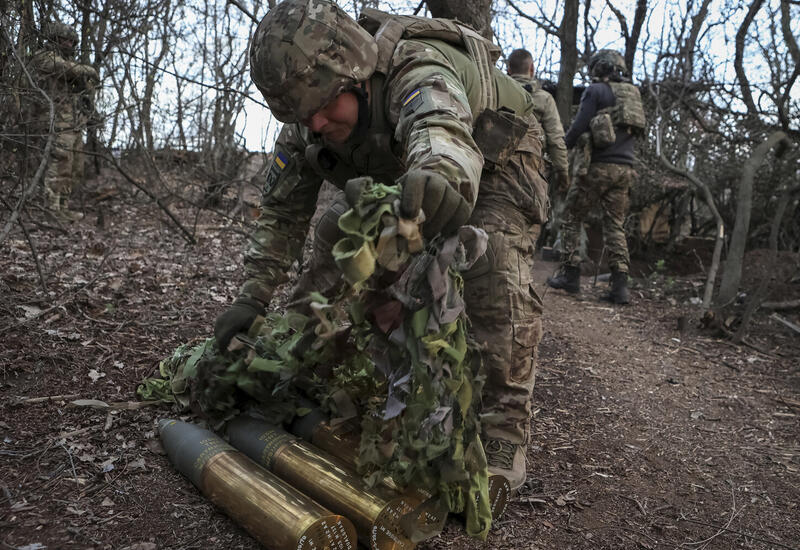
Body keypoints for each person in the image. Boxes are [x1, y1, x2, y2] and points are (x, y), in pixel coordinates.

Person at [213, 0, 549, 490]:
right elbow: (284, 214)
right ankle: (313, 366)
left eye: (326, 106)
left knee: (490, 255)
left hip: (501, 158)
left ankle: (503, 424)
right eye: (303, 115)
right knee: (338, 238)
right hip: (414, 170)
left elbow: (441, 131)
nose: (317, 125)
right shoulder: (308, 122)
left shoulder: (416, 69)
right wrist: (252, 296)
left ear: (355, 75)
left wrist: (437, 177)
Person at [546, 49, 645, 304]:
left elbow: (579, 126)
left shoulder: (596, 91)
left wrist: (560, 146)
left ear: (599, 68)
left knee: (571, 217)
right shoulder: (632, 94)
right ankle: (620, 286)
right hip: (625, 170)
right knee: (615, 225)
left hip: (597, 167)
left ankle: (570, 275)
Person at [29, 22, 98, 219]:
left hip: (74, 124)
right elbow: (62, 68)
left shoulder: (71, 66)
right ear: (54, 39)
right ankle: (51, 210)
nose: (69, 44)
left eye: (71, 41)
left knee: (74, 168)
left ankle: (63, 207)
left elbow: (86, 88)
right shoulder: (43, 57)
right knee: (58, 164)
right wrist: (88, 70)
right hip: (56, 123)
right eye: (65, 40)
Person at [507, 48, 569, 196]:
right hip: (533, 170)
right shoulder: (544, 98)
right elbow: (555, 139)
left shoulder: (495, 89)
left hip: (497, 166)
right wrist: (563, 172)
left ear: (508, 69)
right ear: (532, 69)